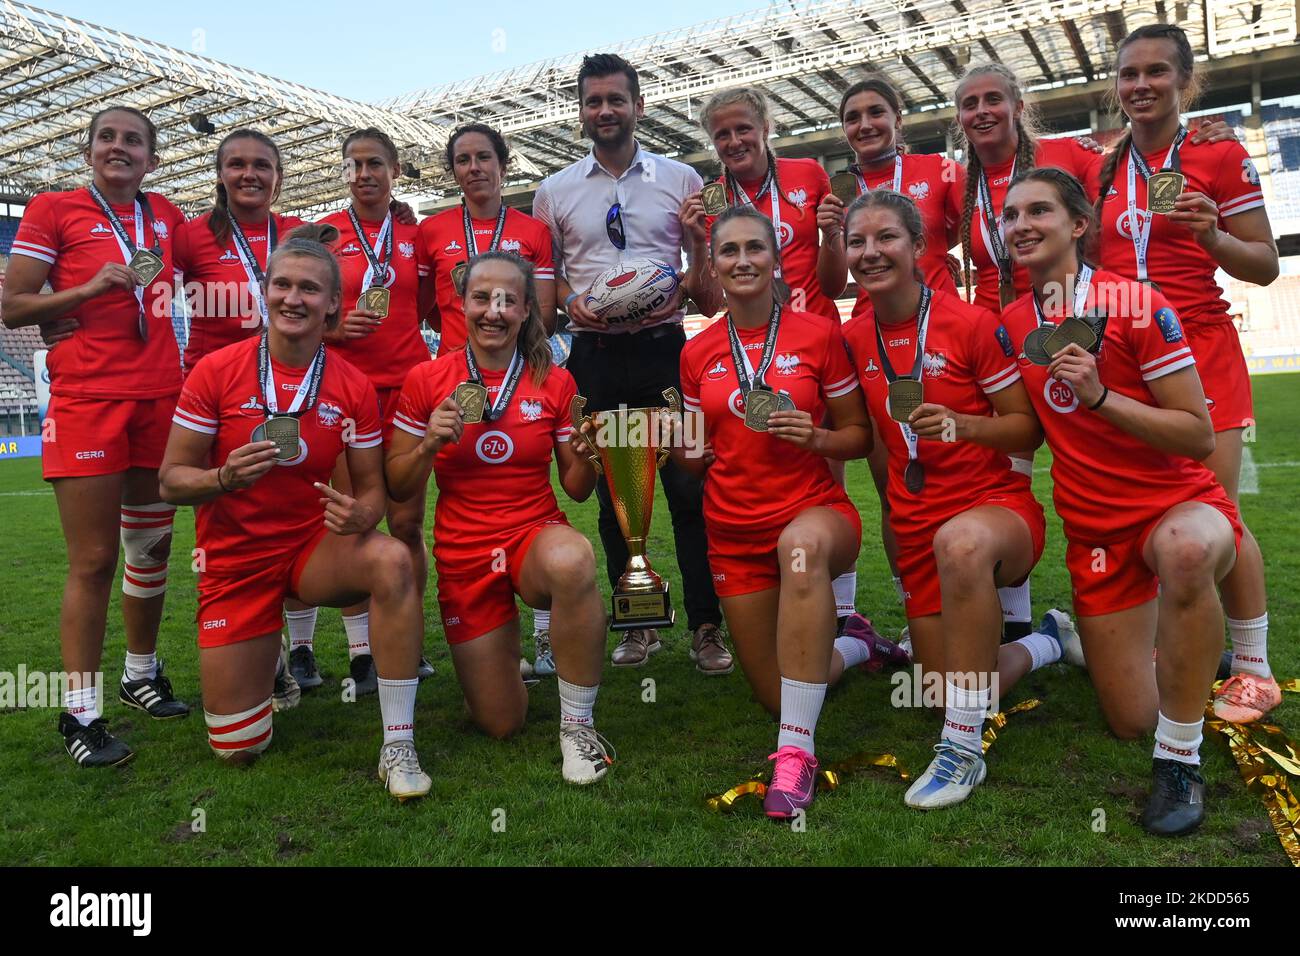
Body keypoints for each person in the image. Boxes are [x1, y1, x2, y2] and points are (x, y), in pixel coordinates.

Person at [1002, 167, 1242, 835]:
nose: (1021, 224)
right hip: (1096, 535)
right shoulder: (1014, 322)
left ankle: (1179, 763)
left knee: (1188, 554)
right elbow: (1025, 434)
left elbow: (1197, 433)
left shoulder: (1136, 303)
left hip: (1176, 508)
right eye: (1011, 214)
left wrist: (1102, 396)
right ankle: (1125, 644)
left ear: (1078, 225)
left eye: (1038, 211)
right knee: (1132, 718)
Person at [159, 224, 430, 800]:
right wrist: (221, 478)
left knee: (391, 559)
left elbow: (373, 491)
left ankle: (399, 739)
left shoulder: (352, 384)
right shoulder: (215, 371)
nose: (293, 298)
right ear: (265, 290)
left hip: (312, 551)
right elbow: (170, 482)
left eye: (310, 289)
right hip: (235, 562)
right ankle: (269, 657)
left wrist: (363, 516)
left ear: (333, 303)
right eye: (281, 284)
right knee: (238, 748)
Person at [841, 189, 1081, 810]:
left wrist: (961, 424)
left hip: (994, 508)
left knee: (962, 542)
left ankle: (962, 751)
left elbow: (1027, 429)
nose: (871, 252)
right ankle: (1048, 640)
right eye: (858, 241)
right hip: (919, 523)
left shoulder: (971, 324)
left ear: (919, 247)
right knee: (944, 690)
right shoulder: (852, 337)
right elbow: (864, 438)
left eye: (886, 238)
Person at [676, 206, 904, 819]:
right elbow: (696, 460)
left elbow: (858, 435)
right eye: (729, 252)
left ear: (776, 259)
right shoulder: (696, 352)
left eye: (755, 249)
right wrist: (678, 445)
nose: (743, 261)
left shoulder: (819, 335)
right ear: (714, 265)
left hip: (815, 513)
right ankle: (857, 646)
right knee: (783, 695)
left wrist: (817, 438)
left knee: (798, 551)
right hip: (732, 532)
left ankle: (795, 758)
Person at [1095, 24, 1281, 722]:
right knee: (1145, 506)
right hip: (1129, 356)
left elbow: (1264, 264)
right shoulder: (1101, 166)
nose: (1139, 85)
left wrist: (1212, 236)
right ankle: (1161, 645)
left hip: (1200, 345)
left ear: (1184, 82)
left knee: (1217, 511)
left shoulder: (1220, 154)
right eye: (1128, 74)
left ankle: (1254, 667)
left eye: (1155, 73)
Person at [3, 106, 189, 767]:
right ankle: (80, 714)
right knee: (93, 561)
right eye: (107, 138)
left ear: (152, 158)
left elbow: (232, 259)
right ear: (89, 152)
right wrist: (80, 292)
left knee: (152, 542)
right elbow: (13, 304)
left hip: (159, 397)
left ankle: (141, 672)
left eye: (133, 140)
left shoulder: (166, 216)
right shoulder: (54, 209)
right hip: (87, 402)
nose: (119, 147)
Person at [532, 53, 730, 672]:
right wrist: (574, 305)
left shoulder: (682, 180)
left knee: (688, 487)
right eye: (594, 101)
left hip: (667, 352)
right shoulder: (553, 191)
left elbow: (708, 295)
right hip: (595, 357)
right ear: (582, 113)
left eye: (617, 99)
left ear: (639, 106)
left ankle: (706, 626)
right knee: (616, 494)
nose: (606, 111)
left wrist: (696, 245)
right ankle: (637, 622)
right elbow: (552, 282)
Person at [386, 251, 616, 784]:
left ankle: (578, 728)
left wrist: (591, 454)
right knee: (501, 723)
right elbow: (398, 484)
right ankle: (502, 656)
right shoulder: (426, 379)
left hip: (532, 537)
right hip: (464, 554)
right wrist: (426, 446)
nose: (495, 310)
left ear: (526, 311)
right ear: (461, 304)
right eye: (483, 298)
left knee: (573, 559)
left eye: (509, 300)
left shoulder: (554, 382)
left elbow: (576, 492)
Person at [695, 86, 862, 630]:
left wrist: (833, 234)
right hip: (748, 352)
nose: (735, 140)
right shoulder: (710, 200)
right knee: (762, 466)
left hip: (813, 344)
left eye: (744, 127)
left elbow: (834, 282)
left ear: (765, 126)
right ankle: (780, 591)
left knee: (827, 476)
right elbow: (708, 298)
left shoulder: (808, 175)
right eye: (722, 133)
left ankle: (844, 611)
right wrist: (695, 241)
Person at [170, 129, 321, 697]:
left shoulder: (298, 235)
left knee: (295, 514)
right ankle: (263, 647)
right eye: (236, 164)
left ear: (278, 176)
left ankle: (293, 647)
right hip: (217, 399)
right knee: (231, 525)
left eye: (261, 165)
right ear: (219, 172)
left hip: (294, 395)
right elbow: (144, 288)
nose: (249, 174)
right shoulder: (189, 237)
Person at [417, 121, 558, 677]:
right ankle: (440, 631)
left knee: (534, 487)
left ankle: (546, 638)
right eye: (462, 160)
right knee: (452, 493)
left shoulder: (532, 229)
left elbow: (542, 306)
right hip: (456, 380)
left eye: (483, 158)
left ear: (503, 165)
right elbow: (426, 307)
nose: (473, 168)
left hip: (525, 372)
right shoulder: (430, 230)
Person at [837, 73, 963, 611]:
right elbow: (828, 274)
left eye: (876, 112)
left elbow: (979, 225)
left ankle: (1004, 616)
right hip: (873, 348)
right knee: (896, 497)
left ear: (898, 118)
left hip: (943, 342)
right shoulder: (833, 190)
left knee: (963, 485)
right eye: (853, 117)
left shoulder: (940, 170)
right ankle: (917, 609)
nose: (865, 124)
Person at [318, 128, 435, 692]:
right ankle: (363, 653)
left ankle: (409, 637)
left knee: (408, 523)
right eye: (353, 165)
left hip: (409, 389)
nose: (363, 174)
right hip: (346, 392)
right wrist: (335, 330)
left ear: (395, 170)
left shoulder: (415, 233)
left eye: (374, 164)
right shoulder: (321, 235)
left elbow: (436, 308)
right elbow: (295, 309)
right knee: (356, 523)